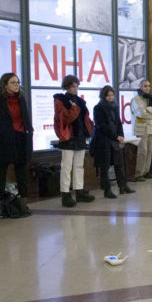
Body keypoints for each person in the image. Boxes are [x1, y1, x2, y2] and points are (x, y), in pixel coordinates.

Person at [0, 72, 33, 205]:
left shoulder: (21, 98)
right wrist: (0, 129)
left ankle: (23, 202)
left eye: (17, 82)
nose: (16, 85)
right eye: (13, 82)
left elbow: (25, 117)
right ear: (5, 85)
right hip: (4, 140)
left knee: (21, 170)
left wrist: (29, 129)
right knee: (1, 170)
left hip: (21, 138)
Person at [54, 75, 95, 207]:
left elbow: (85, 118)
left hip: (80, 136)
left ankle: (79, 190)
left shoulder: (80, 101)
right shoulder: (60, 100)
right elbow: (65, 118)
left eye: (76, 86)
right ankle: (65, 194)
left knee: (79, 165)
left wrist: (90, 128)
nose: (75, 89)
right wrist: (74, 109)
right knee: (66, 167)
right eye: (72, 86)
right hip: (68, 137)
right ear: (66, 86)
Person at [92, 85, 134, 198]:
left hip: (115, 140)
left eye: (112, 95)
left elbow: (118, 122)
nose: (110, 97)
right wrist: (115, 136)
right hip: (104, 140)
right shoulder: (98, 108)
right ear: (103, 96)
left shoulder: (114, 106)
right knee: (105, 167)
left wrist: (121, 135)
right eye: (108, 95)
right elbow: (101, 125)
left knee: (119, 164)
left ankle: (123, 186)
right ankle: (107, 190)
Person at [131, 79, 152, 180]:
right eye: (145, 86)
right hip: (141, 129)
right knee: (142, 151)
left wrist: (148, 109)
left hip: (151, 128)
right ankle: (139, 173)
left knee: (149, 151)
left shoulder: (150, 99)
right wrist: (150, 113)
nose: (147, 88)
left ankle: (146, 172)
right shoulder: (136, 99)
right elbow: (141, 113)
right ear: (141, 87)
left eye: (148, 86)